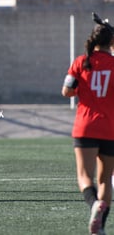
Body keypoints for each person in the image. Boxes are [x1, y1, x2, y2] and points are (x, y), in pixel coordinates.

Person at [61, 17, 114, 235]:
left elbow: (66, 91)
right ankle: (100, 226)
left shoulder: (81, 62)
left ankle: (94, 205)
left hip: (85, 126)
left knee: (84, 177)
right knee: (105, 180)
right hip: (110, 127)